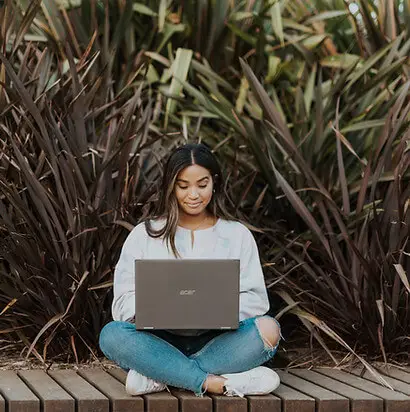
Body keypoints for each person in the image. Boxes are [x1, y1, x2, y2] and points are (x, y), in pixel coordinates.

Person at [99, 143, 282, 397]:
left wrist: (216, 310)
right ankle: (211, 381)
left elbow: (256, 300)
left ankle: (161, 375)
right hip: (157, 340)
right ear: (171, 186)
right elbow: (122, 301)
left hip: (218, 342)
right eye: (183, 186)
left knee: (269, 329)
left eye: (202, 184)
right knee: (112, 335)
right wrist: (156, 312)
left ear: (214, 182)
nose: (193, 195)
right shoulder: (145, 234)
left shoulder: (236, 234)